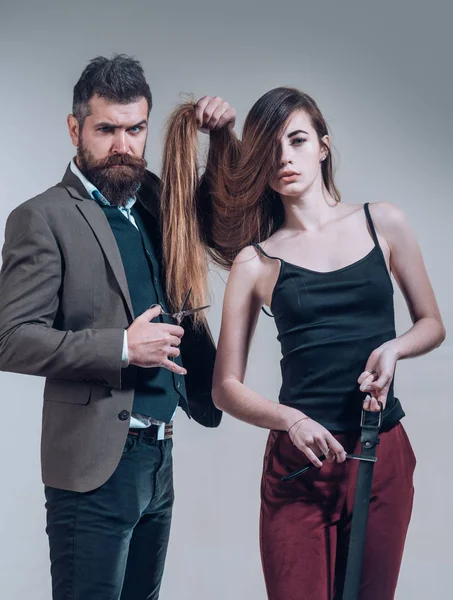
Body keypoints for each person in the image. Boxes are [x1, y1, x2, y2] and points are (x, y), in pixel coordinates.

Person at [163, 87, 446, 599]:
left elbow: (432, 324)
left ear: (323, 145)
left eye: (296, 140)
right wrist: (290, 419)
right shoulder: (257, 260)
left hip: (381, 453)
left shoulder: (383, 222)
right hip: (300, 464)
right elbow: (225, 387)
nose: (284, 158)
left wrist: (394, 349)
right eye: (269, 150)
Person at [0, 54, 235, 600]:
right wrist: (122, 348)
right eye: (106, 129)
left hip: (159, 457)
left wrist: (222, 138)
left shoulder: (154, 199)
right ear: (75, 128)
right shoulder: (42, 217)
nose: (122, 145)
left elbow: (229, 229)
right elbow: (10, 338)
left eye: (135, 129)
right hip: (93, 464)